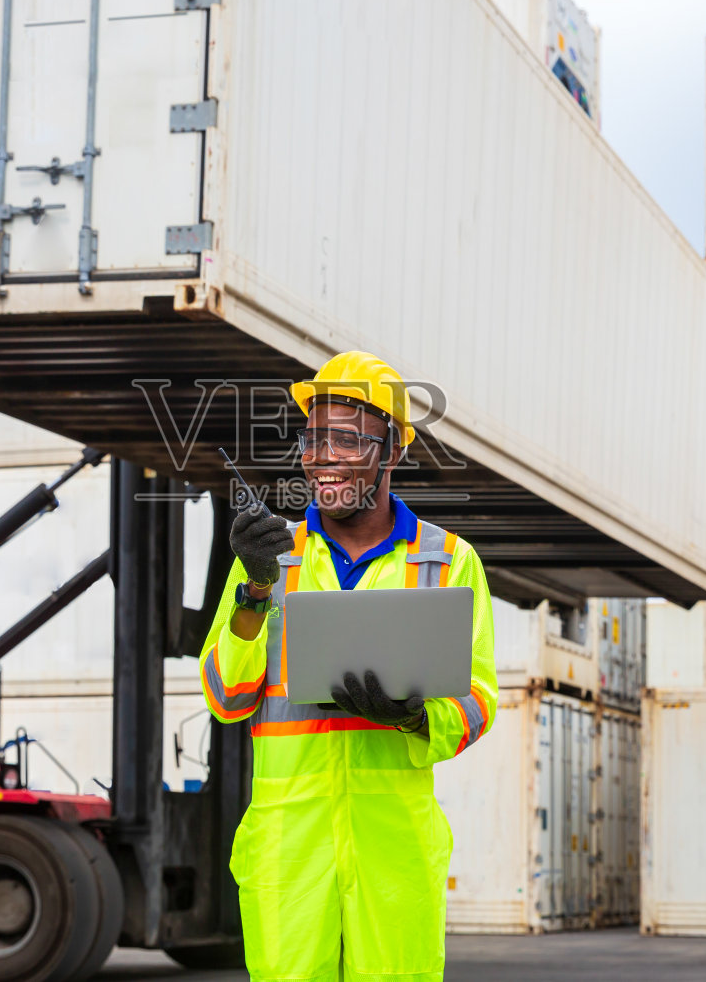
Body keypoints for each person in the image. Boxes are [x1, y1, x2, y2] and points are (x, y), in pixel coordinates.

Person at [198, 350, 497, 982]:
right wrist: (253, 593)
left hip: (394, 851)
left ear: (390, 451)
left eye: (345, 439)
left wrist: (417, 717)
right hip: (288, 851)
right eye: (313, 439)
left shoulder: (446, 561)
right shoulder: (269, 558)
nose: (322, 456)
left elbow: (479, 702)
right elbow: (226, 695)